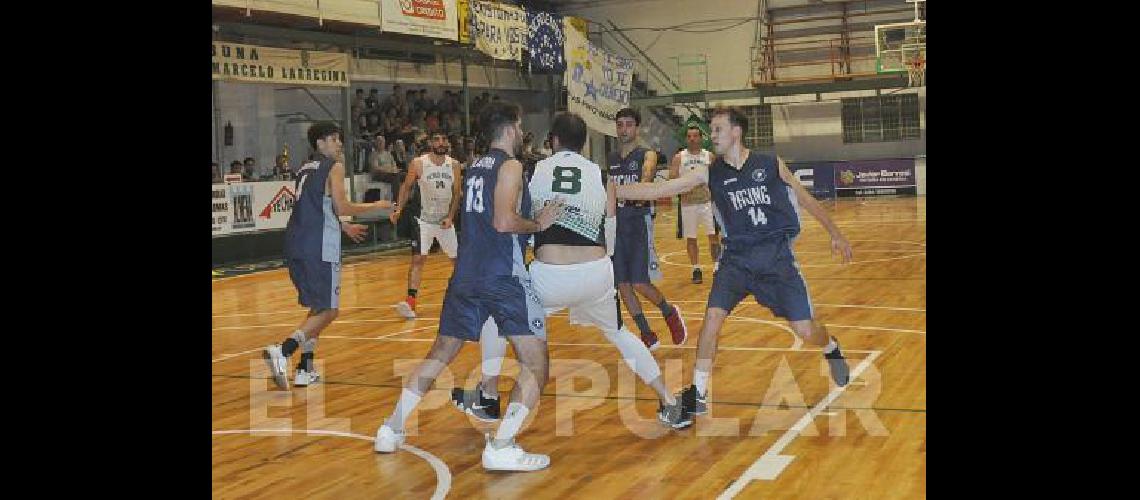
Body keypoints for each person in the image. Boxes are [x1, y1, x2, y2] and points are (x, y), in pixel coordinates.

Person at [613, 107, 854, 421]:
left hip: (775, 260)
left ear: (736, 132)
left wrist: (835, 233)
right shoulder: (710, 171)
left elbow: (806, 199)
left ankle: (830, 348)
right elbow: (661, 188)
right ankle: (698, 393)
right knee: (712, 318)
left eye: (716, 130)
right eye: (710, 131)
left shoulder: (770, 164)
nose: (712, 136)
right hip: (736, 260)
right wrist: (612, 190)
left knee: (805, 329)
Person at [451, 112, 690, 428]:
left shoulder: (533, 171)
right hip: (596, 272)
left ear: (553, 141)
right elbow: (611, 238)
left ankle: (489, 396)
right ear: (584, 143)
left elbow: (518, 223)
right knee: (620, 334)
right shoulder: (603, 176)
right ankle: (669, 402)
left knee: (495, 319)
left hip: (551, 275)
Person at [374, 100, 566, 472]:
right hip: (502, 275)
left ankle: (391, 427)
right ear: (511, 129)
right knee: (536, 363)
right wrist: (538, 223)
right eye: (521, 127)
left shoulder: (474, 165)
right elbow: (504, 221)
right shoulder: (509, 165)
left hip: (467, 273)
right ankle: (502, 445)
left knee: (440, 352)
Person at [262, 122, 391, 389]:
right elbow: (342, 205)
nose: (338, 143)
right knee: (330, 311)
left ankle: (304, 368)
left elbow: (317, 207)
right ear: (319, 143)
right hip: (319, 246)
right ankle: (283, 350)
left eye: (338, 139)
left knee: (318, 308)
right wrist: (376, 206)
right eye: (333, 139)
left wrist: (343, 225)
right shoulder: (333, 166)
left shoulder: (303, 170)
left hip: (296, 243)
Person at [608, 108, 688, 351]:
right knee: (622, 284)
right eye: (620, 124)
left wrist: (640, 187)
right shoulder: (611, 159)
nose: (623, 129)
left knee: (640, 282)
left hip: (638, 222)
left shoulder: (647, 155)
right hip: (616, 225)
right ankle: (646, 333)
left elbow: (647, 176)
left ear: (637, 127)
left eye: (628, 124)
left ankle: (669, 311)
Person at [389, 133, 463, 319]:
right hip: (424, 221)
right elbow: (406, 187)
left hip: (444, 222)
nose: (441, 143)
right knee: (418, 260)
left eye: (444, 140)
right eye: (437, 139)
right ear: (430, 143)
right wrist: (399, 209)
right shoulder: (419, 163)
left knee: (458, 262)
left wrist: (451, 216)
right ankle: (410, 302)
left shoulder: (453, 165)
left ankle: (466, 297)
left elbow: (456, 194)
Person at [669, 125, 722, 284]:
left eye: (695, 136)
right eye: (689, 136)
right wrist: (683, 187)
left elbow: (717, 179)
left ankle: (718, 267)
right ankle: (696, 269)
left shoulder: (709, 156)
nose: (692, 139)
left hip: (707, 203)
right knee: (691, 238)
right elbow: (671, 178)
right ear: (686, 139)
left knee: (713, 236)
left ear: (701, 138)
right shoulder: (680, 157)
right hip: (687, 204)